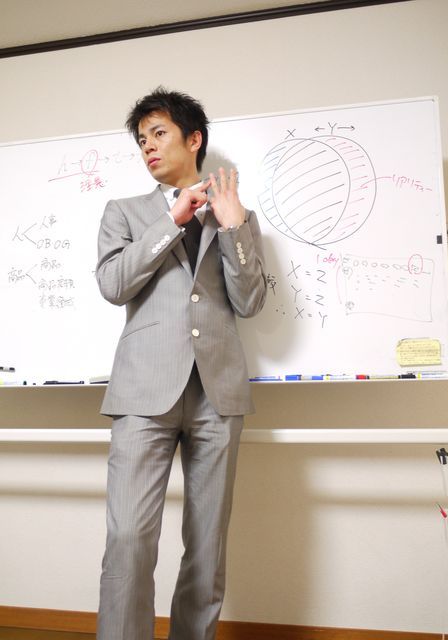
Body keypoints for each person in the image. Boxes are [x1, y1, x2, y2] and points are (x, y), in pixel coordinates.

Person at [95, 87, 267, 640]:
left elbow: (250, 302)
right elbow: (113, 285)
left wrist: (234, 226)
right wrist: (171, 220)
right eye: (141, 139)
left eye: (159, 133)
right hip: (144, 390)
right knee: (128, 539)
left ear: (194, 139)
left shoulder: (235, 214)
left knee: (207, 544)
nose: (147, 146)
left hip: (218, 393)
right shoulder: (124, 212)